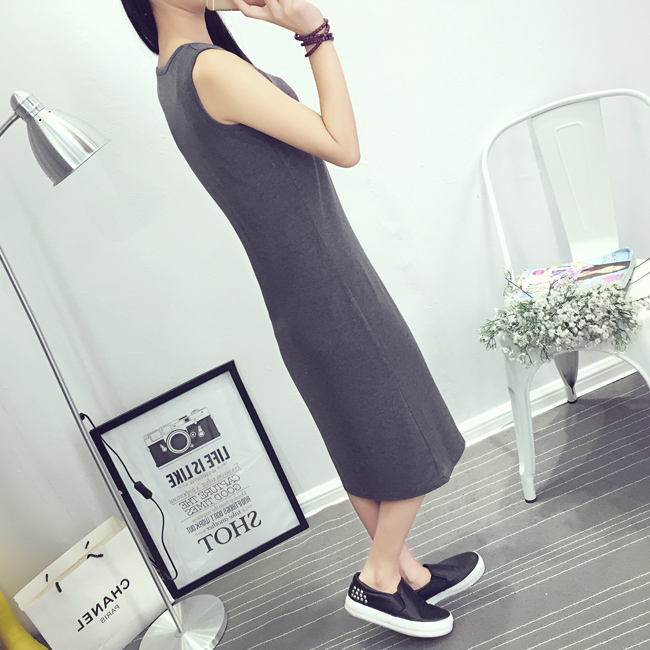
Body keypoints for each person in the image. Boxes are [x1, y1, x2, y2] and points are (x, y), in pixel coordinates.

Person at [121, 0, 484, 638]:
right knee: (412, 426)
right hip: (330, 285)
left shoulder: (171, 73)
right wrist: (314, 32)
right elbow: (343, 146)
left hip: (297, 291)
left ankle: (409, 575)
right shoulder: (210, 69)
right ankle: (378, 577)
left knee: (360, 440)